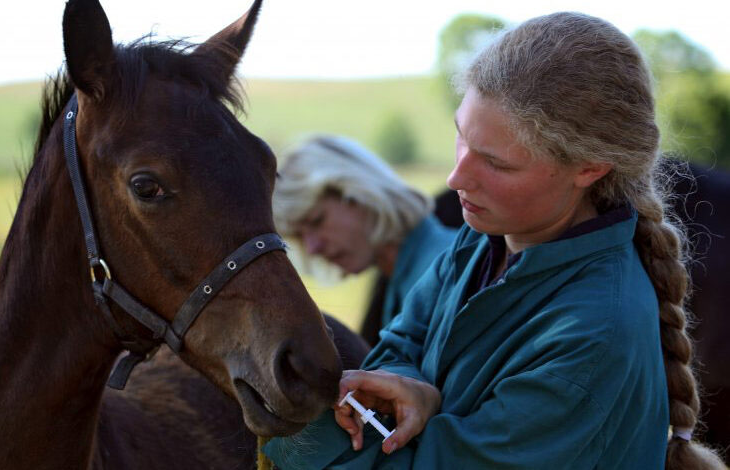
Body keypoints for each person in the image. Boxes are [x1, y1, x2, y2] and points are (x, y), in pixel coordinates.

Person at [264, 12, 724, 469]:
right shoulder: (482, 240)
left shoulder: (595, 335)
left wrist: (281, 425)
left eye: (496, 163)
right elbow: (401, 343)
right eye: (462, 138)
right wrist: (415, 390)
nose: (456, 177)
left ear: (589, 167)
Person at [273, 135, 457, 343]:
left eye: (317, 221)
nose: (312, 247)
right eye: (299, 236)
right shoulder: (401, 283)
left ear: (360, 194)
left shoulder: (447, 273)